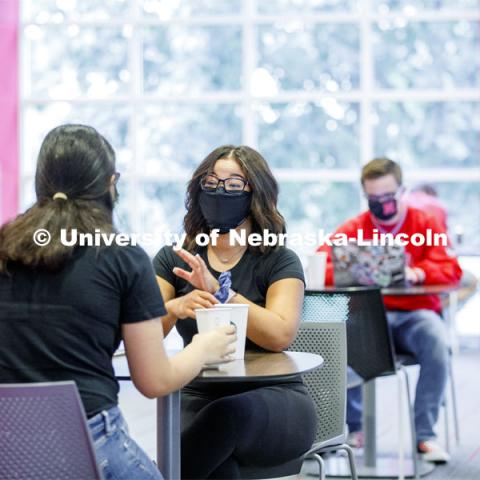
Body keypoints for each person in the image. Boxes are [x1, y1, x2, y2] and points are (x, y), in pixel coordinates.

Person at [0, 124, 236, 480]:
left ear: (42, 181)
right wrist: (204, 346)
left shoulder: (5, 247)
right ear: (110, 183)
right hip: (87, 441)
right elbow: (154, 380)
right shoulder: (122, 257)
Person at [153, 145, 316, 479]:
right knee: (219, 462)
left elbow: (279, 335)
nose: (219, 192)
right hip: (197, 394)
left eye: (232, 185)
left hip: (275, 397)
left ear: (255, 193)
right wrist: (174, 307)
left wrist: (219, 291)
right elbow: (147, 335)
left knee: (224, 419)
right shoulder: (176, 259)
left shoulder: (279, 260)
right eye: (210, 184)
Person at [318, 157, 462, 464]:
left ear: (402, 190)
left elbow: (451, 268)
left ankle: (425, 435)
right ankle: (352, 429)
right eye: (374, 198)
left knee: (438, 340)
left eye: (388, 197)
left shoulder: (424, 224)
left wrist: (419, 273)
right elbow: (321, 264)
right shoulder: (355, 227)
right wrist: (356, 271)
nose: (381, 204)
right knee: (337, 338)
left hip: (415, 315)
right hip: (369, 316)